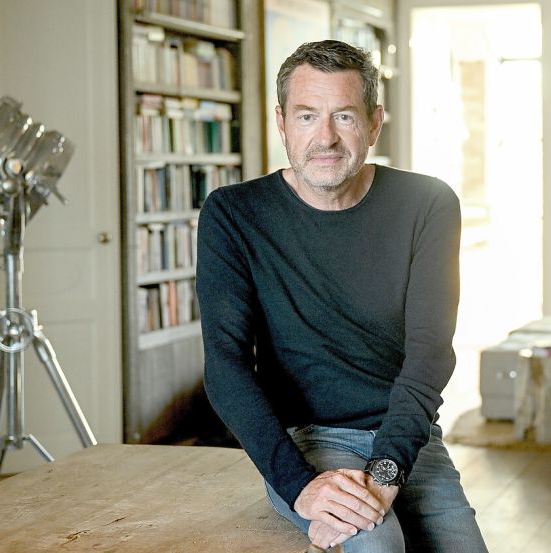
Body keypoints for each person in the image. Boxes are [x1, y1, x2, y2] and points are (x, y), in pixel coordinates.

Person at [196, 40, 488, 552]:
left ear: (374, 123)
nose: (325, 137)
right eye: (307, 116)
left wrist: (387, 470)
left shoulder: (428, 204)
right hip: (307, 441)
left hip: (406, 432)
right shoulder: (233, 214)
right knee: (379, 544)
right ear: (282, 122)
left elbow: (430, 354)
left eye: (345, 117)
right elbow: (225, 365)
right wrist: (300, 486)